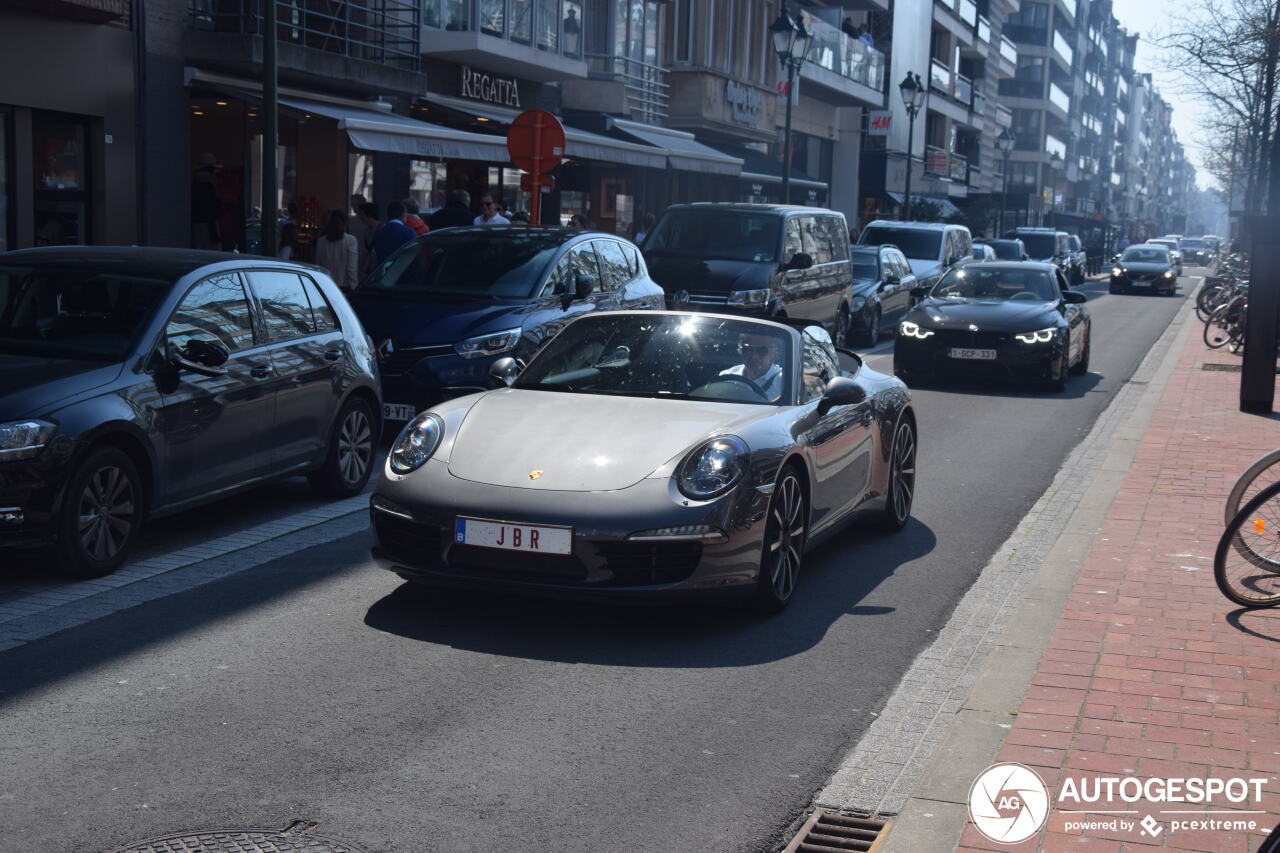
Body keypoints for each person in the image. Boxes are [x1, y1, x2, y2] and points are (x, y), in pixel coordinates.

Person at [720, 333, 784, 401]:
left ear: (775, 352)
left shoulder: (783, 381)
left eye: (762, 350)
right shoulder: (727, 377)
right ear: (740, 351)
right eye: (748, 349)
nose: (754, 357)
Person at [315, 209, 360, 292]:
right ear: (345, 224)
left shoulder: (321, 241)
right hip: (344, 286)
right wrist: (354, 288)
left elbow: (318, 265)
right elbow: (351, 268)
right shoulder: (351, 240)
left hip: (325, 284)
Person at [372, 200, 417, 266]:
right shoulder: (409, 232)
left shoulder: (379, 232)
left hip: (384, 273)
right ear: (403, 215)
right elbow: (413, 256)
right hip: (402, 272)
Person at [191, 165, 220, 250]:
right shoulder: (208, 188)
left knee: (199, 244)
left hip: (200, 220)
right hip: (207, 221)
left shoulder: (195, 188)